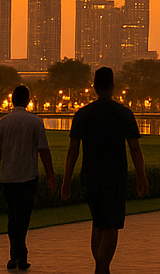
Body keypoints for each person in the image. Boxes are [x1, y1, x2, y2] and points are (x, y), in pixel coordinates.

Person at [62, 66, 149, 274]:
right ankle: (102, 269)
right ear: (113, 86)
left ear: (94, 87)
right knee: (111, 225)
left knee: (98, 223)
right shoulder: (124, 114)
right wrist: (141, 176)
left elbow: (72, 151)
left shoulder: (83, 114)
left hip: (90, 176)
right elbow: (135, 149)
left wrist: (66, 181)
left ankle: (101, 267)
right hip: (115, 176)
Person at [0, 84, 58, 271]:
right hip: (28, 176)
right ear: (28, 101)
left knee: (13, 217)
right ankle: (19, 255)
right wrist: (51, 175)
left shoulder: (1, 123)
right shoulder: (35, 122)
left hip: (8, 177)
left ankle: (16, 255)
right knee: (23, 217)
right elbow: (44, 150)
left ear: (12, 100)